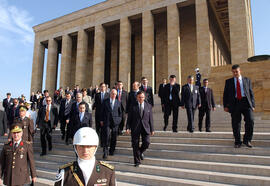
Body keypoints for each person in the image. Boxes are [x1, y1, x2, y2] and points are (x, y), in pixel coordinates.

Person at [223, 64, 255, 148]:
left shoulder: (247, 80)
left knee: (250, 120)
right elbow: (225, 94)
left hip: (246, 102)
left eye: (236, 71)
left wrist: (253, 104)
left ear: (240, 71)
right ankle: (237, 141)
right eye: (233, 72)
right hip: (235, 103)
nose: (235, 73)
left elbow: (251, 93)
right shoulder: (228, 81)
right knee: (236, 123)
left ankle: (247, 140)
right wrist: (225, 105)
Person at [126, 91, 154, 167]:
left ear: (144, 97)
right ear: (137, 97)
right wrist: (127, 127)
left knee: (147, 142)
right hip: (135, 127)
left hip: (146, 127)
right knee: (135, 145)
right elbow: (129, 118)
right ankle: (137, 162)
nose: (141, 98)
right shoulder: (132, 106)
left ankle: (140, 152)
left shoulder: (148, 105)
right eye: (139, 97)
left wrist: (152, 129)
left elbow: (150, 118)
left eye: (142, 97)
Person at [100, 89, 122, 159]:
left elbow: (120, 113)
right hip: (107, 121)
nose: (114, 95)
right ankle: (105, 151)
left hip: (115, 122)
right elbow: (102, 111)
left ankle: (112, 150)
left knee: (114, 136)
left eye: (115, 94)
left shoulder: (118, 102)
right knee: (106, 136)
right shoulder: (105, 101)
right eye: (112, 94)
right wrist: (101, 120)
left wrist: (118, 120)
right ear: (110, 94)